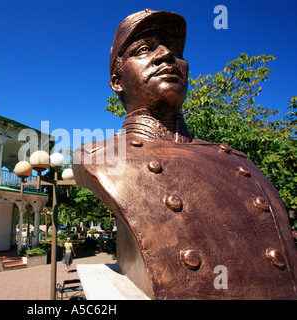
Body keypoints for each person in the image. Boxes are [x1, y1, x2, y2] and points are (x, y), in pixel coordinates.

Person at [72, 9, 297, 299]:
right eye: (144, 48)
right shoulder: (97, 157)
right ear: (117, 80)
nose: (166, 54)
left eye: (175, 50)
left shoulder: (239, 162)